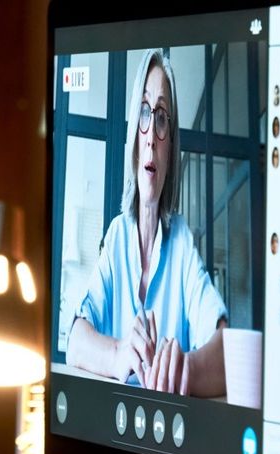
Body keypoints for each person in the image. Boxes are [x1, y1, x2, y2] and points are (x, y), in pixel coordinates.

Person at [66, 48, 228, 396]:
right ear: (134, 141)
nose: (152, 134)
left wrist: (184, 369)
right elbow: (76, 340)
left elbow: (225, 350)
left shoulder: (182, 242)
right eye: (144, 112)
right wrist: (118, 353)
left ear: (171, 150)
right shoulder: (116, 237)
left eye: (162, 118)